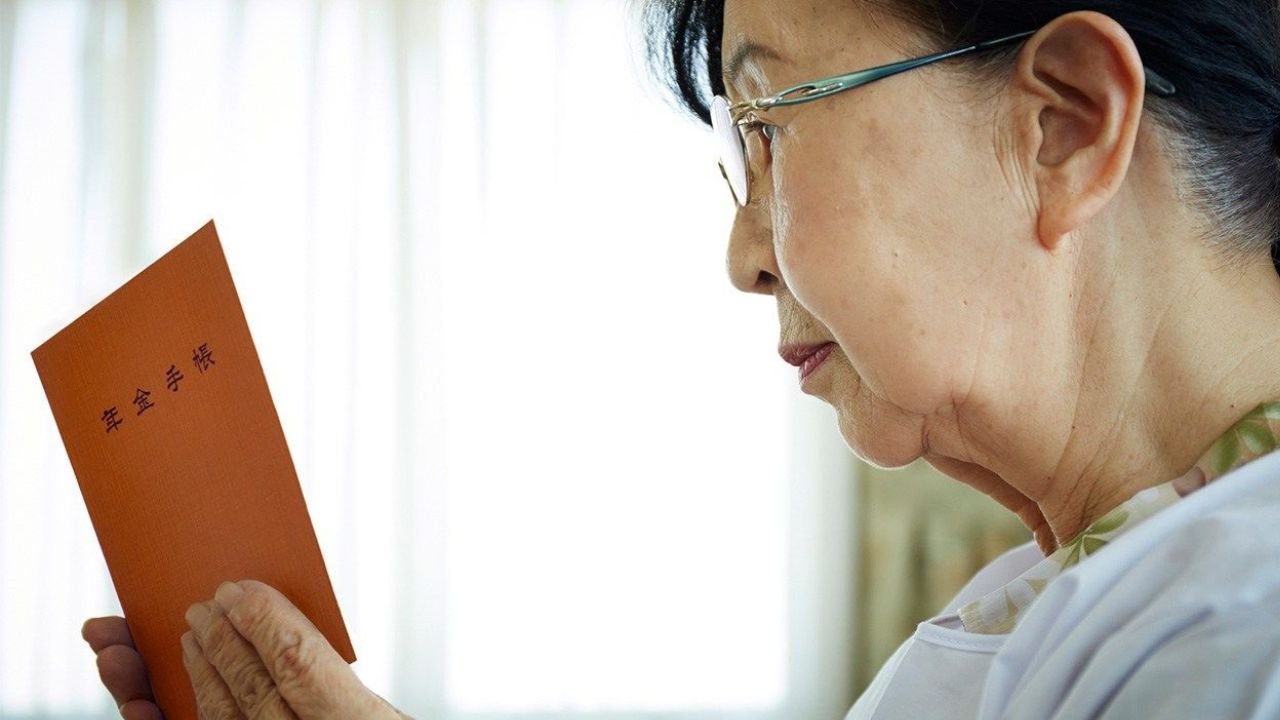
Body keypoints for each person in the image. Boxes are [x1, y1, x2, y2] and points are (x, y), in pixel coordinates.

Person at [84, 0, 1280, 717]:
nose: (741, 256)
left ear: (1063, 124)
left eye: (768, 132)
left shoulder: (1241, 625)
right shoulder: (1088, 589)